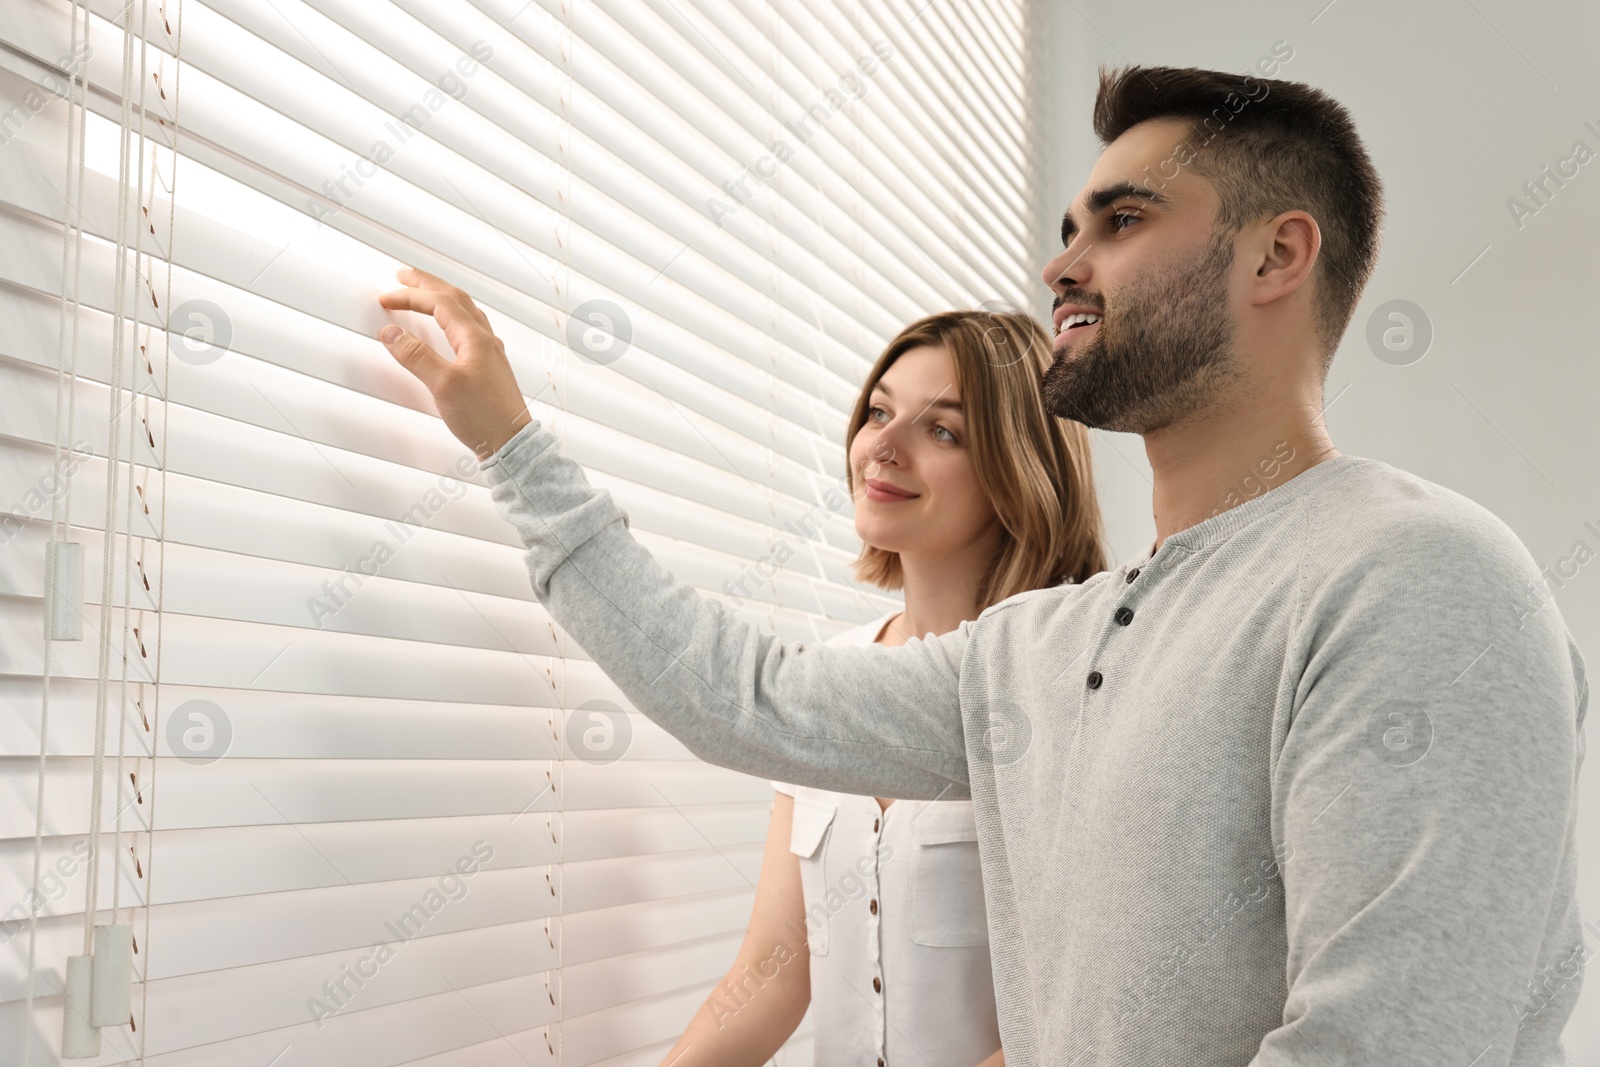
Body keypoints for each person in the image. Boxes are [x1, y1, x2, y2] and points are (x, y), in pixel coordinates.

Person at [377, 65, 1588, 1067]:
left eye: (1122, 221)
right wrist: (511, 442)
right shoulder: (1043, 651)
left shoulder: (1415, 576)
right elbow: (735, 695)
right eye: (1067, 231)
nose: (1063, 267)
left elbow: (1384, 1046)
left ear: (1276, 256)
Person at [654, 311, 1106, 1067]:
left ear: (1021, 470)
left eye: (944, 431)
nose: (883, 447)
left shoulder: (1070, 691)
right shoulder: (826, 681)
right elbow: (772, 971)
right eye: (878, 412)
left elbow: (1077, 1015)